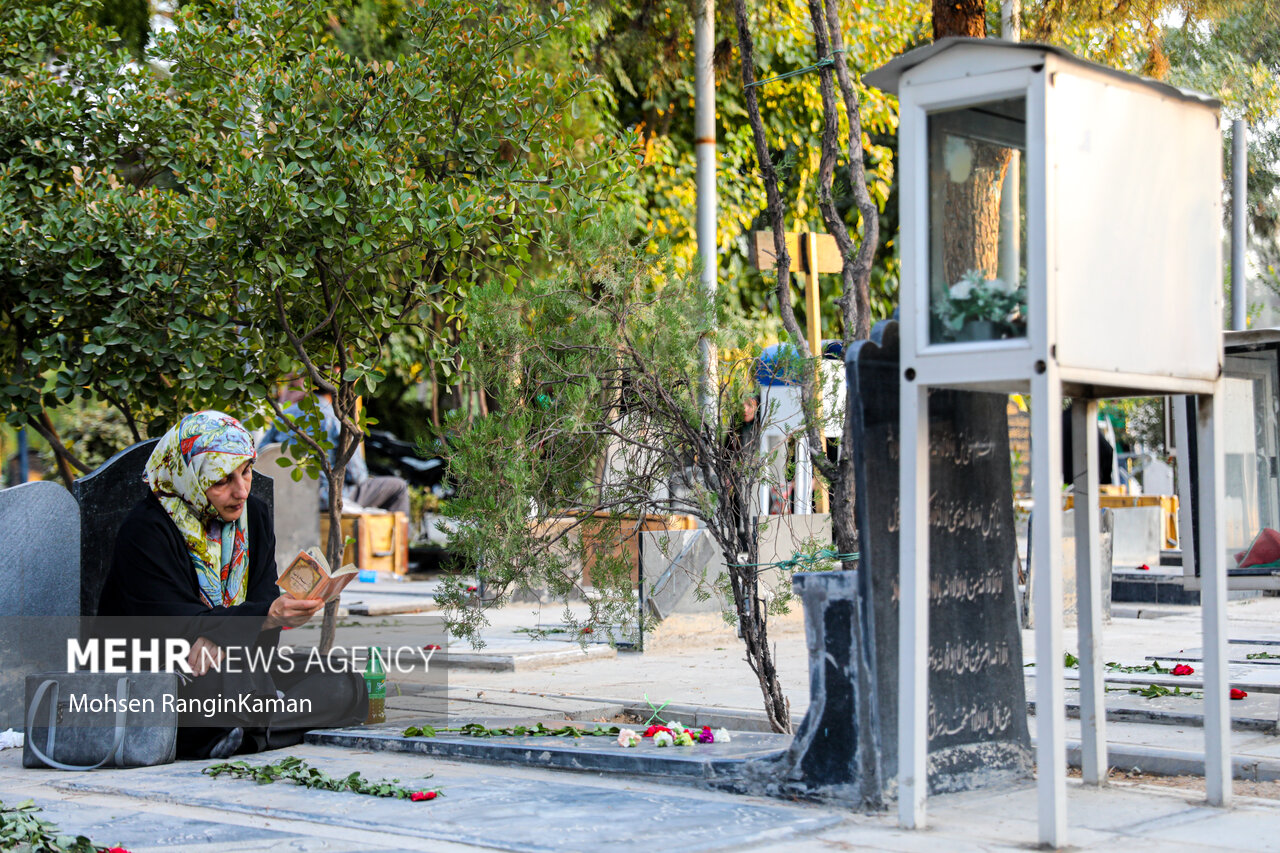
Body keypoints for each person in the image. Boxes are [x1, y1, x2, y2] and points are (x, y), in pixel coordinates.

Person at [96, 411, 368, 759]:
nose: (240, 491)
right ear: (190, 477)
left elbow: (262, 599)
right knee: (225, 683)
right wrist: (257, 619)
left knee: (343, 680)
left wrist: (229, 630)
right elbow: (171, 627)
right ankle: (262, 727)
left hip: (240, 667)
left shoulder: (252, 515)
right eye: (222, 479)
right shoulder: (147, 530)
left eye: (246, 471)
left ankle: (248, 732)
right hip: (163, 677)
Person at [259, 391, 409, 516]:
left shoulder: (284, 415)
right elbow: (358, 476)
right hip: (325, 497)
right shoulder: (337, 420)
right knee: (398, 486)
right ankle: (396, 548)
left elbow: (261, 457)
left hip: (285, 496)